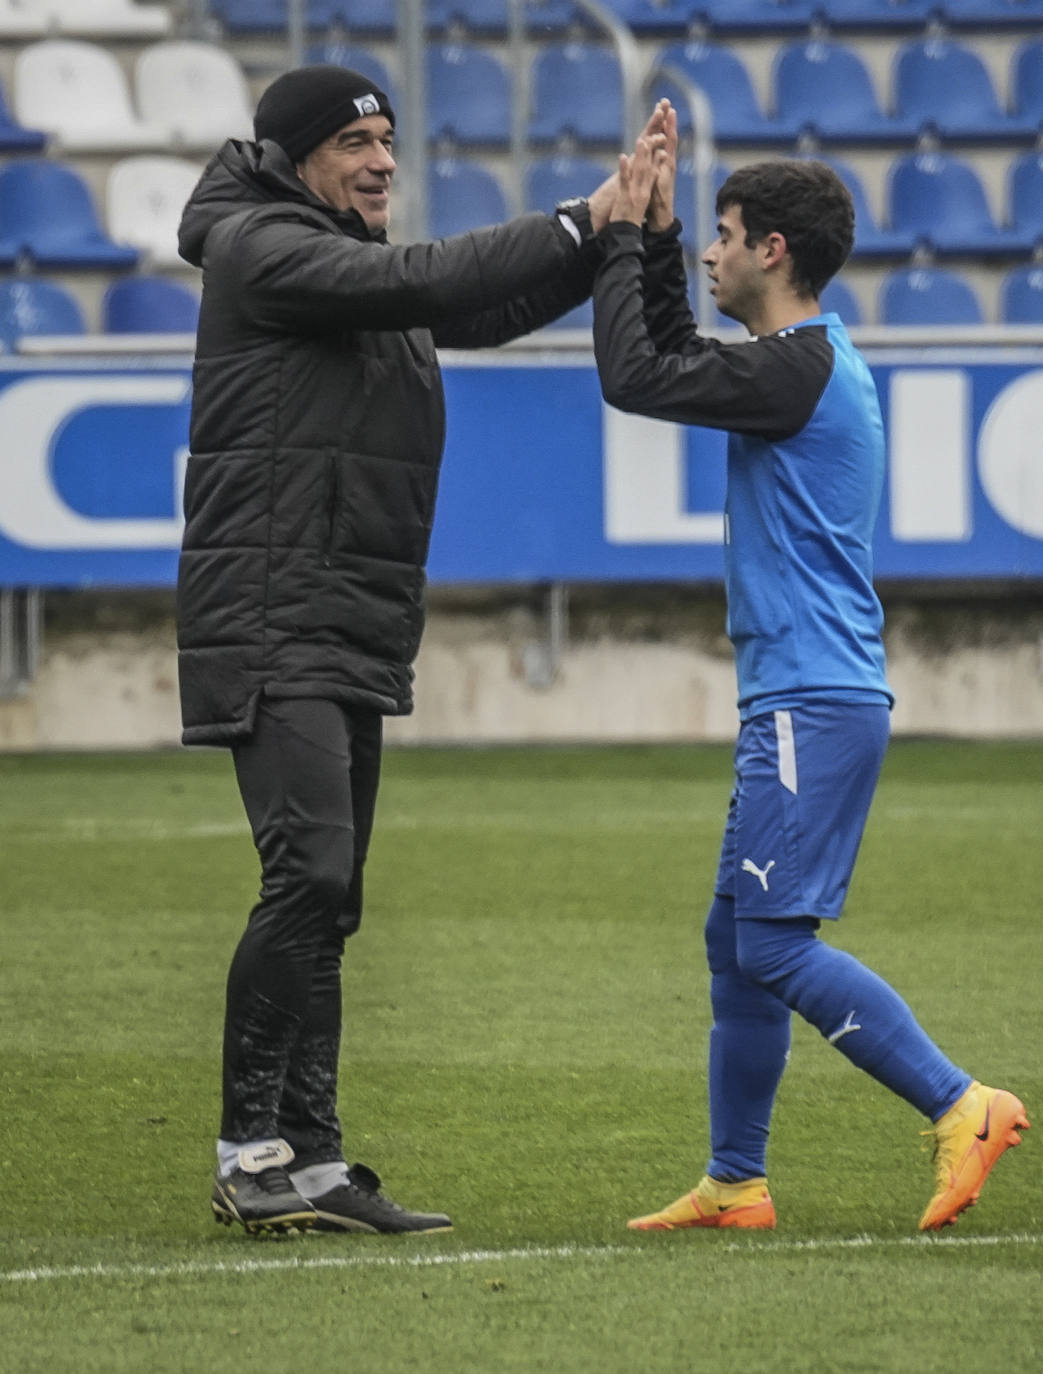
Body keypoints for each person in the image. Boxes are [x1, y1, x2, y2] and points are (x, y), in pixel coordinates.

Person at [176, 64, 634, 1237]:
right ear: (291, 159)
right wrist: (580, 217)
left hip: (342, 616)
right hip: (272, 610)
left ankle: (312, 1163)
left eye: (387, 138)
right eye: (352, 141)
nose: (382, 159)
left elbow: (472, 309)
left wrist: (608, 234)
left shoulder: (338, 264)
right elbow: (429, 279)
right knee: (310, 878)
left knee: (332, 900)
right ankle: (248, 1153)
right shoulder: (262, 251)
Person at [590, 107, 1029, 1233]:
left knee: (774, 942)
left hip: (814, 701)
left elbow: (637, 376)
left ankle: (961, 1105)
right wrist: (659, 226)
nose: (712, 256)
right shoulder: (798, 365)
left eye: (724, 236)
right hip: (806, 696)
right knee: (735, 938)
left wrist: (620, 233)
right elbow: (670, 358)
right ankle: (737, 1183)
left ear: (773, 251)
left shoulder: (800, 368)